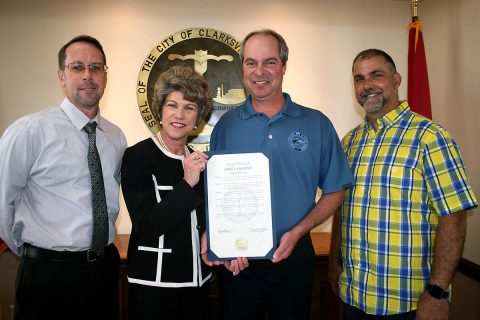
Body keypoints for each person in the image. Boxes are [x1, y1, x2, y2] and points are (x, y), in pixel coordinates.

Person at [203, 29, 354, 319]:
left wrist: (297, 232)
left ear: (284, 66)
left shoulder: (317, 124)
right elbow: (217, 193)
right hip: (240, 262)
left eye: (270, 62)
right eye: (251, 62)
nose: (260, 72)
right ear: (242, 67)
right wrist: (217, 236)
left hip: (295, 258)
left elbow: (336, 190)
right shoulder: (226, 126)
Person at [329, 49, 478, 320]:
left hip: (408, 302)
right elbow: (342, 207)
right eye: (359, 78)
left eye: (377, 75)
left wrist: (437, 292)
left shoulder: (431, 138)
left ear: (396, 80)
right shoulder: (349, 142)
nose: (367, 85)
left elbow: (454, 217)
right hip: (355, 295)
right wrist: (333, 262)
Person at [0, 35, 127, 319]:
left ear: (105, 76)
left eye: (96, 67)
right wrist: (33, 252)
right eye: (77, 67)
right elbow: (2, 201)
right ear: (61, 75)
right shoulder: (30, 130)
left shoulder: (116, 137)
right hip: (47, 275)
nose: (88, 75)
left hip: (103, 269)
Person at [121, 65, 213, 320]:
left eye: (190, 107)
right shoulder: (138, 156)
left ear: (198, 118)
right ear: (160, 110)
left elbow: (206, 221)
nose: (180, 114)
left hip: (197, 284)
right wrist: (186, 183)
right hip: (154, 287)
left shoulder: (199, 161)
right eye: (172, 105)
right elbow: (147, 226)